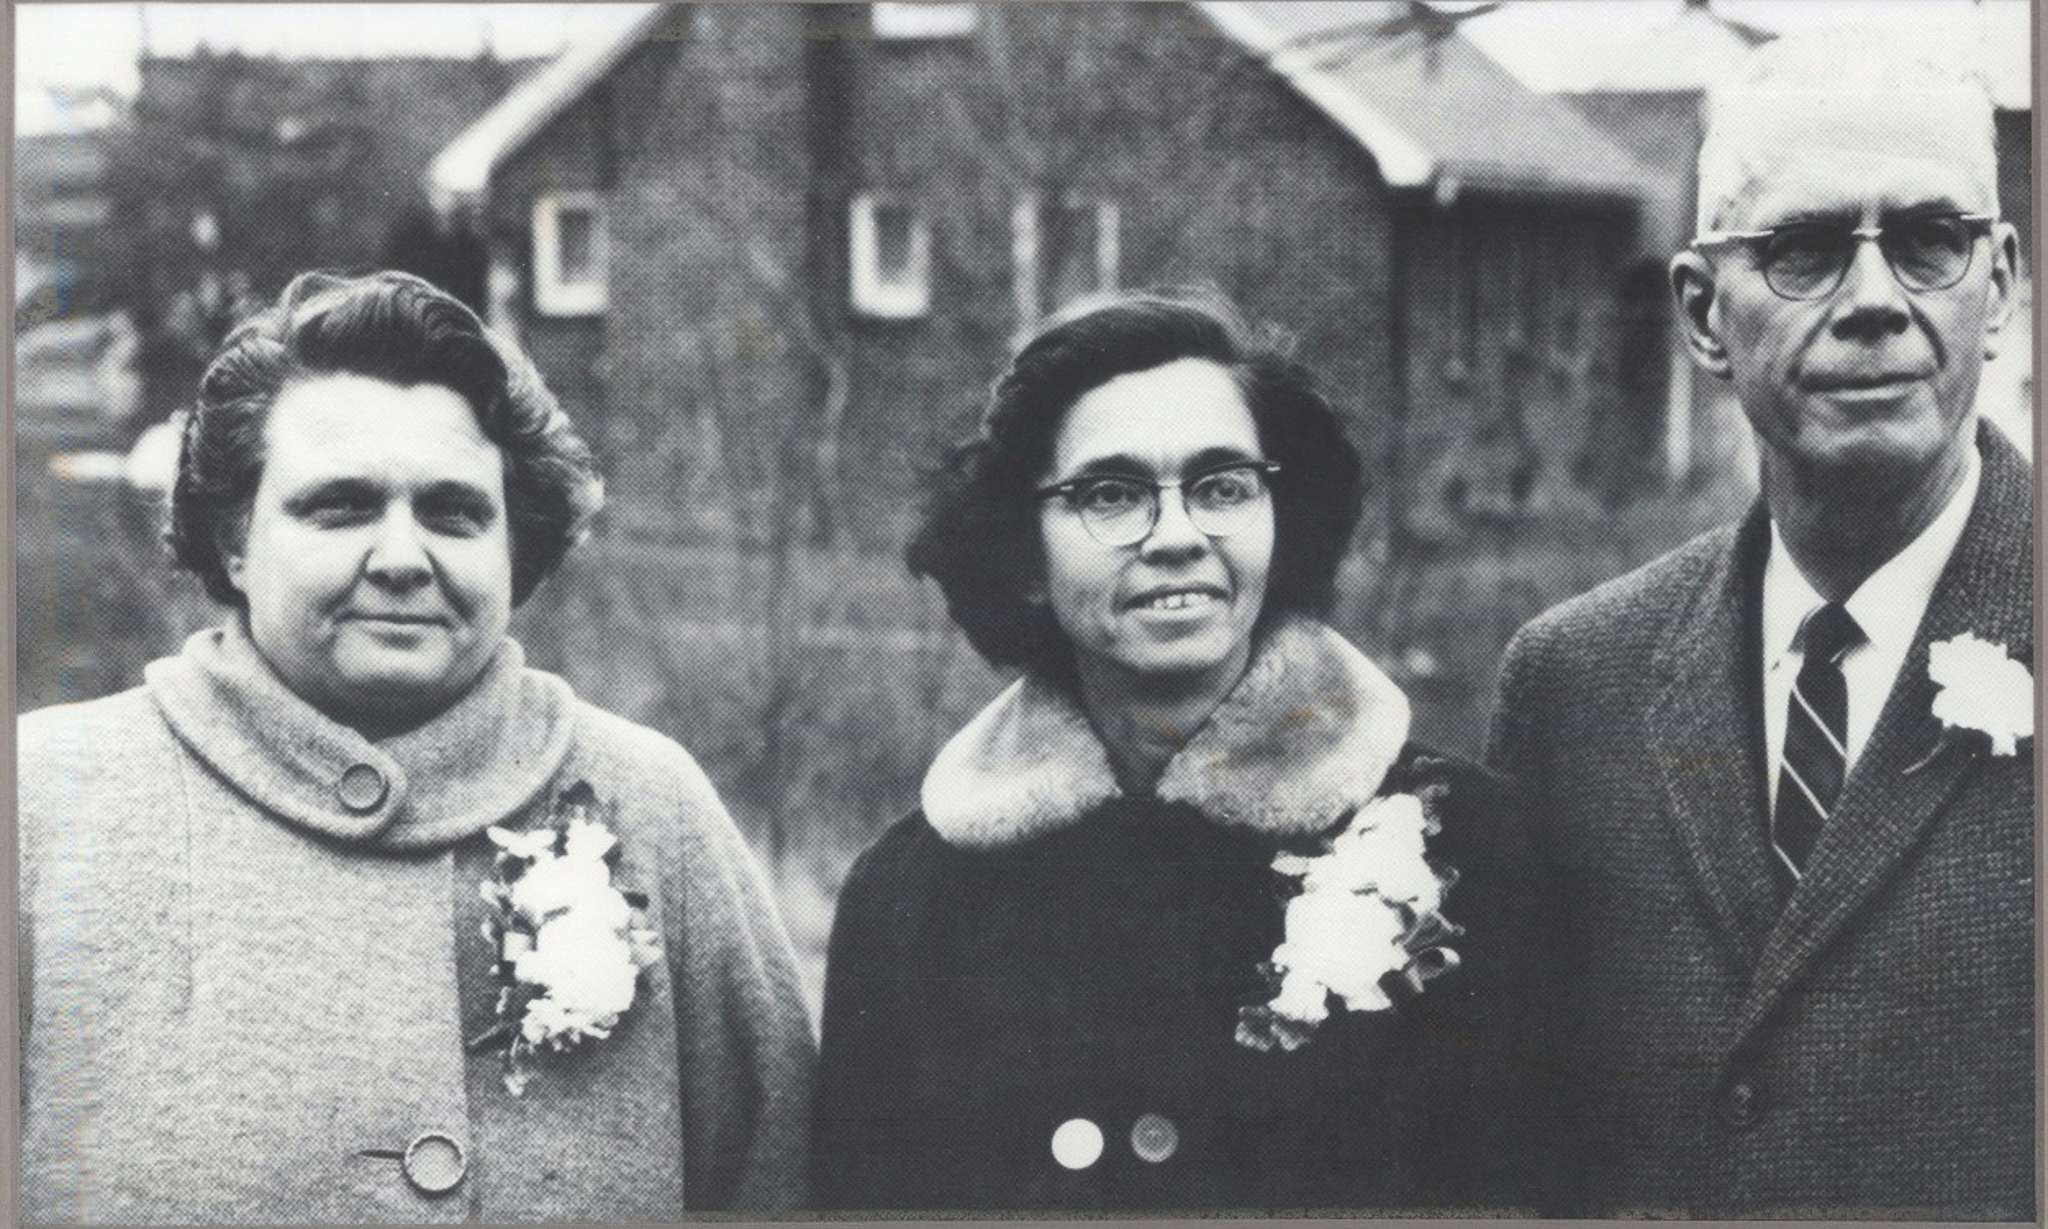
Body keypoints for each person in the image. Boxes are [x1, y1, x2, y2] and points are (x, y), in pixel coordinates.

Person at [19, 271, 815, 1222]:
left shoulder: (652, 806)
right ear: (234, 540)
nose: (403, 557)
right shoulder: (42, 802)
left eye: (453, 513)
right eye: (340, 506)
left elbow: (784, 1183)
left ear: (514, 547)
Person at [813, 290, 1559, 1213]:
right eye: (1111, 493)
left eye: (1222, 486)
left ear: (1283, 519)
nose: (1177, 536)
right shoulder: (907, 899)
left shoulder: (1479, 851)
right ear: (1021, 555)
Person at [1487, 32, 2030, 1218]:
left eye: (1929, 243)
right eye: (1803, 251)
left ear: (1997, 288)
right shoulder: (1574, 683)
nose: (1875, 303)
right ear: (1699, 312)